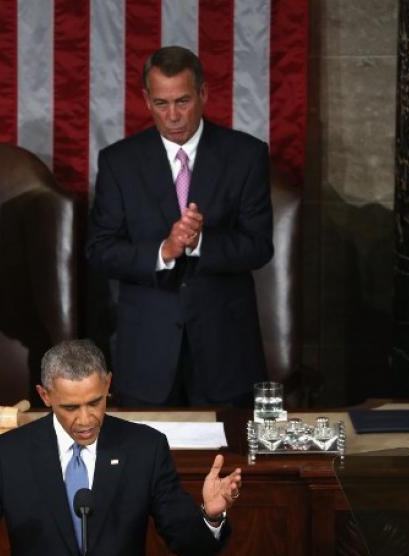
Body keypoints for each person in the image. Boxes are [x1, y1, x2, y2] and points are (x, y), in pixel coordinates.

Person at [0, 339, 242, 556]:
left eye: (95, 402)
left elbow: (190, 545)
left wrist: (210, 516)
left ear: (108, 385)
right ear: (45, 396)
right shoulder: (9, 454)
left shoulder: (144, 448)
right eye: (70, 407)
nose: (86, 419)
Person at [85, 46, 273, 407]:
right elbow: (100, 249)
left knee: (230, 460)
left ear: (203, 94)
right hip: (147, 352)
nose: (172, 115)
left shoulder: (245, 155)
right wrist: (164, 251)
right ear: (146, 100)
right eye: (161, 103)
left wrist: (202, 242)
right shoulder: (119, 161)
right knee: (145, 463)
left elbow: (259, 246)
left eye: (183, 101)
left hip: (225, 350)